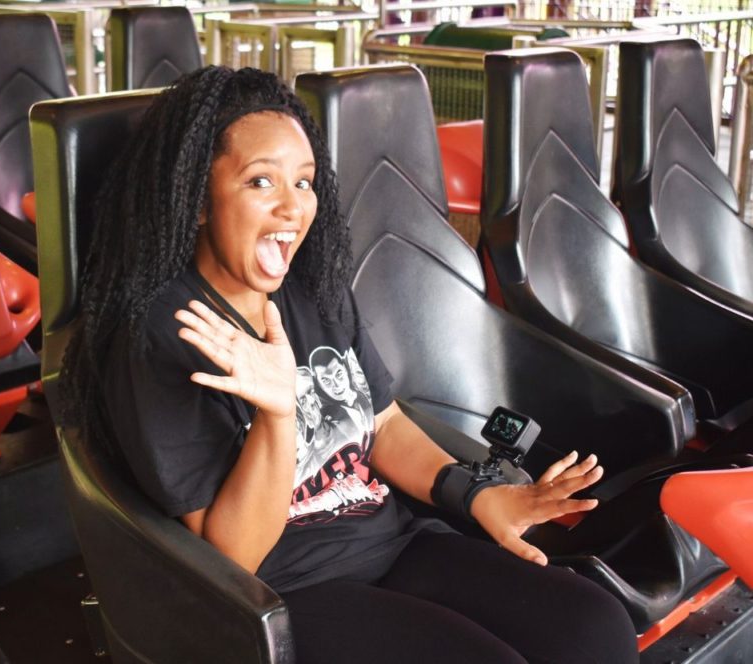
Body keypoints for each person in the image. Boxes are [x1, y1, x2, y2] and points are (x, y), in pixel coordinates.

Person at [64, 66, 639, 663]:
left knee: (595, 628)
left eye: (306, 182)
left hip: (391, 541)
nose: (293, 208)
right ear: (197, 200)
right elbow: (231, 558)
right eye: (262, 182)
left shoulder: (312, 289)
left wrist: (476, 495)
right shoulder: (164, 335)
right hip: (287, 591)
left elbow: (383, 424)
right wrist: (277, 415)